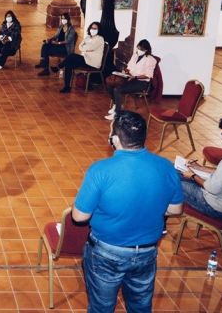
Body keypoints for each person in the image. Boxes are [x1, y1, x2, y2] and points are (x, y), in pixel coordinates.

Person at [73, 111, 183, 312]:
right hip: (147, 251)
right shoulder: (166, 166)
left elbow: (79, 216)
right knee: (140, 306)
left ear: (115, 139)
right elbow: (175, 209)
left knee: (102, 307)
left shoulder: (100, 170)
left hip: (106, 251)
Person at [105, 39, 157, 120]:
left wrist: (135, 77)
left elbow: (148, 76)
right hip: (130, 77)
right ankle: (116, 104)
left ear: (146, 50)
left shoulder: (151, 60)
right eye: (138, 48)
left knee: (117, 89)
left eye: (141, 49)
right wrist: (125, 71)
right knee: (110, 82)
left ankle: (117, 113)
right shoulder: (135, 55)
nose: (139, 50)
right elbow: (129, 67)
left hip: (141, 82)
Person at [59, 21, 105, 93]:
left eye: (95, 28)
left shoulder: (100, 39)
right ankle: (67, 87)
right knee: (68, 64)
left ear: (99, 30)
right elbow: (80, 47)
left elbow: (89, 47)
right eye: (92, 28)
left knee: (72, 56)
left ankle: (59, 66)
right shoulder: (88, 37)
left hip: (92, 63)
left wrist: (85, 47)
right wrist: (86, 48)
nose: (93, 30)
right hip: (86, 59)